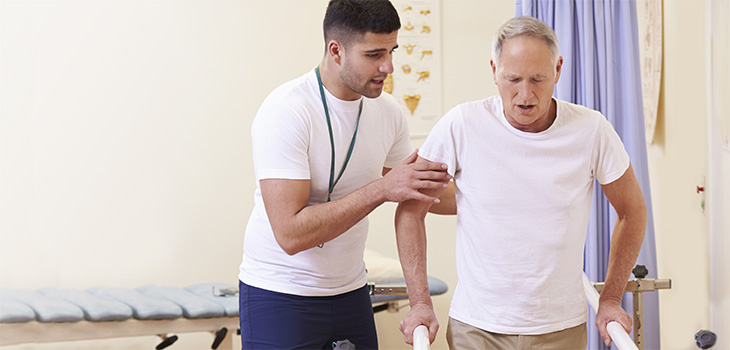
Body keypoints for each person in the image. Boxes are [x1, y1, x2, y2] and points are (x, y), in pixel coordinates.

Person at [394, 16, 647, 349]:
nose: (525, 94)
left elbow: (633, 211)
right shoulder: (462, 125)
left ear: (558, 69)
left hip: (560, 328)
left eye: (538, 79)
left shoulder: (591, 130)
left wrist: (611, 297)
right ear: (494, 70)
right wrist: (420, 303)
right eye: (512, 78)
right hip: (477, 326)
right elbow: (411, 209)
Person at [238, 1, 452, 349]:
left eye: (392, 51)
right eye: (374, 54)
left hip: (351, 292)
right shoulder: (287, 111)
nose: (389, 66)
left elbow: (419, 193)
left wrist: (506, 195)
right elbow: (290, 234)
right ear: (335, 50)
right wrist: (381, 189)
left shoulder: (388, 112)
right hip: (280, 293)